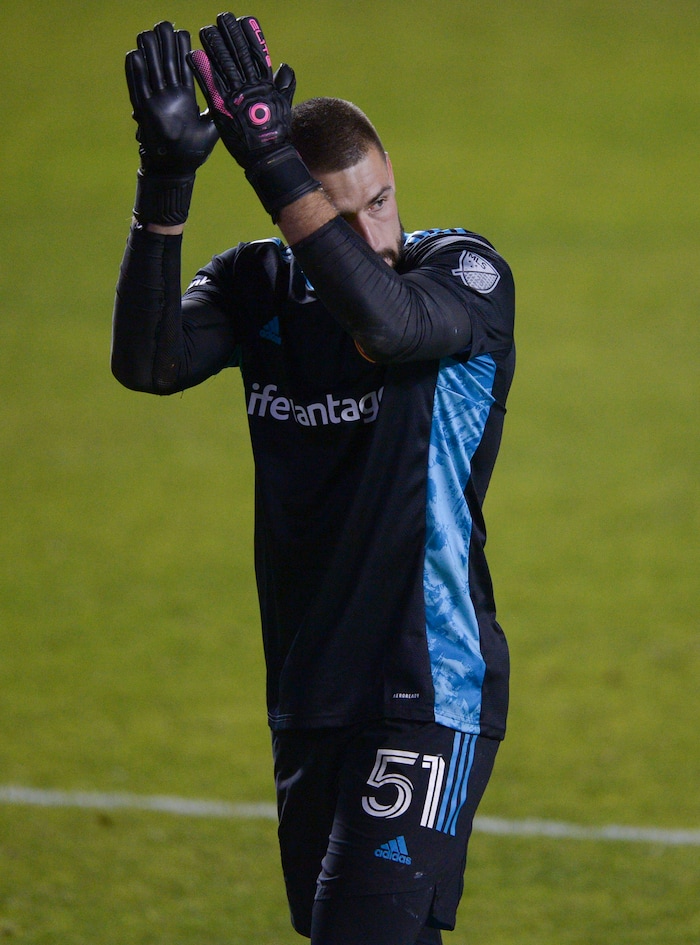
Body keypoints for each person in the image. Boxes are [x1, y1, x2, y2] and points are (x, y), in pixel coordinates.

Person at [113, 13, 516, 945]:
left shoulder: (461, 276)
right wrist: (166, 180)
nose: (376, 232)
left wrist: (268, 162)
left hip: (426, 683)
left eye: (382, 201)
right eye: (344, 214)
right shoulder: (259, 285)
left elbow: (389, 324)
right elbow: (149, 361)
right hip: (308, 686)